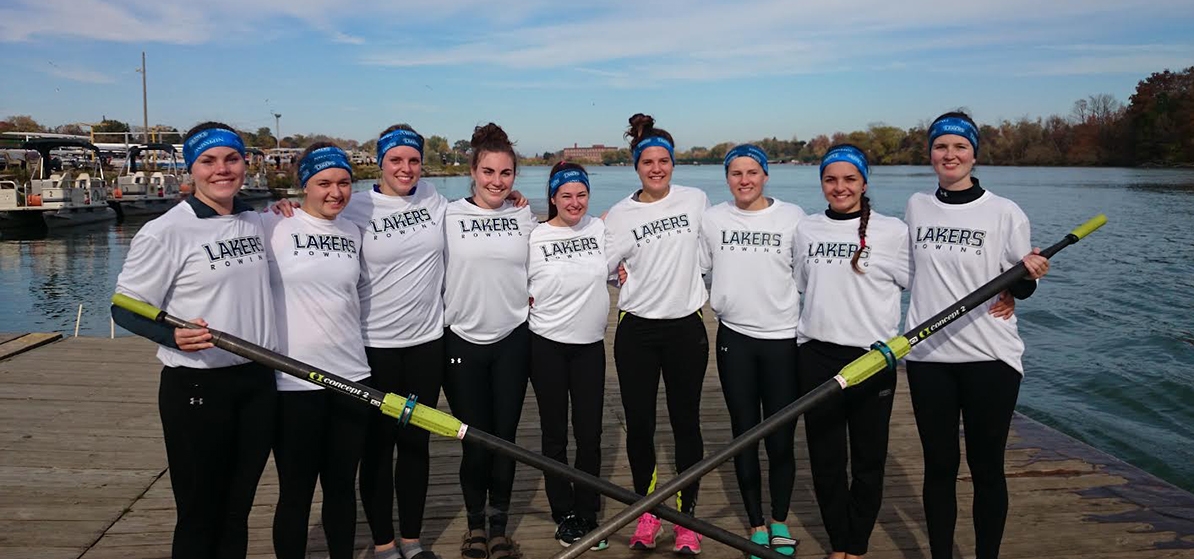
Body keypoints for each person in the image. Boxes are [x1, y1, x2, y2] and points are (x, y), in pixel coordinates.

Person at [112, 122, 276, 559]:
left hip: (258, 384)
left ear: (245, 164)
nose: (221, 170)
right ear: (191, 169)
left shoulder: (258, 220)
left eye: (231, 159)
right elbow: (124, 306)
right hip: (198, 387)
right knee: (200, 513)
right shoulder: (166, 231)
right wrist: (173, 335)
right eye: (208, 161)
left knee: (238, 511)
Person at [904, 112, 1049, 559]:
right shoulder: (915, 206)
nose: (950, 155)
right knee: (939, 468)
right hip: (928, 358)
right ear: (931, 155)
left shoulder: (1005, 212)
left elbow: (1021, 284)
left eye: (959, 147)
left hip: (991, 358)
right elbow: (905, 270)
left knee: (987, 469)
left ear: (974, 154)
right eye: (941, 147)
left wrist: (1026, 278)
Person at [794, 144, 912, 559]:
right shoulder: (807, 229)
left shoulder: (893, 231)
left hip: (873, 359)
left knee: (867, 460)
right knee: (826, 461)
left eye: (849, 179)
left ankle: (856, 545)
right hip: (816, 357)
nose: (840, 187)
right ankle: (837, 541)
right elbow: (802, 284)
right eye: (830, 179)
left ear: (864, 182)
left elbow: (929, 283)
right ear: (822, 183)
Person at [603, 113, 710, 555]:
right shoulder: (620, 214)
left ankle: (686, 521)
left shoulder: (696, 200)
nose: (657, 168)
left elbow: (720, 242)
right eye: (648, 162)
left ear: (673, 163)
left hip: (687, 327)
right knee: (641, 425)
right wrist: (616, 277)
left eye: (664, 161)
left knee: (686, 423)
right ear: (636, 166)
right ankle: (648, 512)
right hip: (637, 331)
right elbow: (599, 261)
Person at [263, 144, 371, 559]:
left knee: (342, 488)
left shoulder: (353, 231)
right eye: (323, 183)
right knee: (296, 492)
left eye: (344, 182)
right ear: (302, 185)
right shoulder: (271, 226)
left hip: (351, 378)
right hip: (293, 383)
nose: (335, 192)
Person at [698, 145, 803, 557]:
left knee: (780, 435)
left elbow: (809, 272)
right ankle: (756, 523)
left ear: (765, 176)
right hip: (734, 338)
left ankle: (779, 520)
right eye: (736, 173)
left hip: (782, 338)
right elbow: (699, 266)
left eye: (752, 172)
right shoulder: (713, 219)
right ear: (727, 178)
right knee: (744, 432)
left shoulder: (793, 218)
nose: (745, 180)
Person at [442, 123, 538, 559]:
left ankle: (498, 525)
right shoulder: (447, 216)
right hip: (461, 341)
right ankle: (474, 526)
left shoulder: (524, 215)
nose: (497, 182)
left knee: (506, 439)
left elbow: (560, 247)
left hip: (513, 341)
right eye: (488, 172)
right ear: (473, 171)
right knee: (474, 439)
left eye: (506, 174)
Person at [527, 162, 610, 550]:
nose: (574, 203)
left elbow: (626, 258)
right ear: (553, 198)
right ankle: (564, 513)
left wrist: (624, 272)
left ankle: (588, 511)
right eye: (566, 196)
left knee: (590, 434)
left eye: (581, 195)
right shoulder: (535, 235)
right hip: (546, 344)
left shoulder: (600, 229)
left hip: (590, 345)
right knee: (555, 434)